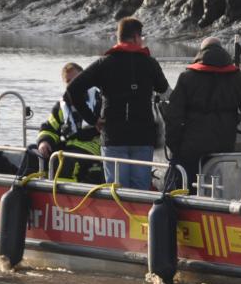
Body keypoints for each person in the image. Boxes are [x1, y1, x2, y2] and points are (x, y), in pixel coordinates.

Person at [66, 17, 169, 190]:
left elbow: (73, 89)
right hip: (142, 137)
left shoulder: (104, 63)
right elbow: (164, 89)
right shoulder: (150, 63)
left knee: (116, 192)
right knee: (140, 193)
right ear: (136, 37)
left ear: (118, 38)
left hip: (114, 136)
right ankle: (139, 216)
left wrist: (93, 120)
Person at [165, 37, 241, 192]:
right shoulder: (239, 78)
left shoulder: (187, 77)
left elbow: (173, 116)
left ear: (201, 52)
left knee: (186, 188)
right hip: (224, 144)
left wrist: (174, 145)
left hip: (191, 146)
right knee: (218, 188)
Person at [36, 62, 105, 184]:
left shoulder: (100, 100)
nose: (73, 84)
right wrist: (44, 142)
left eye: (76, 79)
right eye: (68, 81)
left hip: (94, 146)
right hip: (69, 146)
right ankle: (22, 190)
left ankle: (62, 199)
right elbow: (50, 127)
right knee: (32, 152)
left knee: (64, 161)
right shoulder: (62, 106)